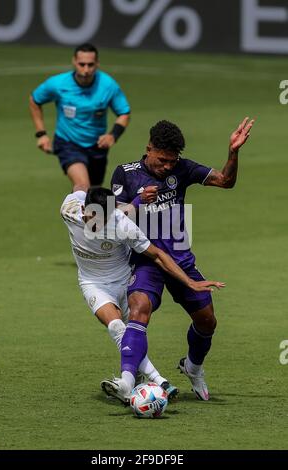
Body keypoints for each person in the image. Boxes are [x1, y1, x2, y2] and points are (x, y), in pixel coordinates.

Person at [108, 117, 254, 401]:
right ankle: (127, 381)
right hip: (146, 259)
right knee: (138, 310)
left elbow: (225, 181)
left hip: (180, 258)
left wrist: (233, 151)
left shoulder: (182, 169)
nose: (167, 167)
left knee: (208, 322)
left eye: (172, 162)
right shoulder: (125, 173)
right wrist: (137, 203)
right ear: (149, 148)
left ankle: (192, 367)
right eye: (162, 160)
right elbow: (109, 217)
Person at [60, 187, 224, 404]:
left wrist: (189, 281)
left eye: (104, 218)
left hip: (124, 280)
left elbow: (158, 255)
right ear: (83, 209)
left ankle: (134, 382)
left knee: (131, 337)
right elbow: (80, 187)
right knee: (116, 328)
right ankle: (158, 381)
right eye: (93, 217)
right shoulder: (69, 210)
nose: (98, 224)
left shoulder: (122, 224)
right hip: (94, 284)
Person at [30, 43, 130, 191]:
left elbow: (124, 113)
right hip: (68, 144)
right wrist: (41, 134)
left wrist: (113, 135)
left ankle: (81, 213)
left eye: (90, 65)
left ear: (97, 64)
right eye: (81, 64)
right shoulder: (58, 84)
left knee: (95, 194)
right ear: (74, 62)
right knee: (83, 186)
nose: (86, 70)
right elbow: (35, 100)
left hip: (97, 146)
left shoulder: (108, 85)